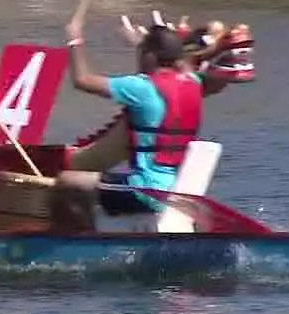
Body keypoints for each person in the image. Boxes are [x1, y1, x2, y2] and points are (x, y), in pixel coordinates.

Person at [52, 21, 203, 231]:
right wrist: (143, 45)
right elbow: (178, 61)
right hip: (179, 189)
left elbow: (82, 80)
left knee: (68, 182)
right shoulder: (194, 83)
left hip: (145, 192)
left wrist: (74, 39)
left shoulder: (140, 87)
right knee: (103, 182)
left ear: (149, 56)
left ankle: (76, 243)